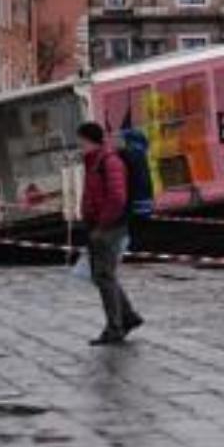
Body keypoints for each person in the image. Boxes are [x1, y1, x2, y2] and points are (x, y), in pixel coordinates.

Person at [79, 122, 144, 345]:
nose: (79, 145)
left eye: (81, 140)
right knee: (104, 275)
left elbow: (117, 198)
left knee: (103, 276)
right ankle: (128, 316)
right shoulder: (94, 161)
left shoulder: (109, 161)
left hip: (109, 227)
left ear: (90, 140)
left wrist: (102, 226)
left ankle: (115, 327)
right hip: (99, 226)